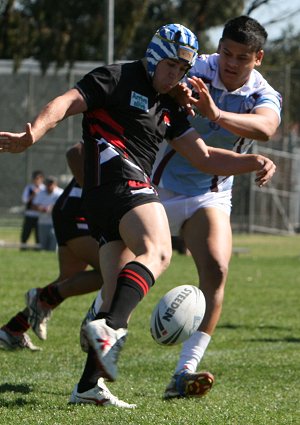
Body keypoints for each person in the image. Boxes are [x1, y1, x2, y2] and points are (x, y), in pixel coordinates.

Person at [0, 23, 276, 408]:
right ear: (153, 56)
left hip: (110, 197)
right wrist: (33, 134)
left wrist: (253, 161)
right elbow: (65, 102)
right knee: (159, 251)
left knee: (114, 291)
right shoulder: (117, 76)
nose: (177, 77)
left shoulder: (170, 104)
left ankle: (88, 386)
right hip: (117, 178)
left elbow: (206, 157)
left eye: (183, 71)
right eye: (171, 67)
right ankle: (109, 330)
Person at [150, 15, 282, 399]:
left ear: (258, 58)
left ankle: (183, 372)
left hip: (209, 194)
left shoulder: (263, 93)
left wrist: (216, 114)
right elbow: (160, 83)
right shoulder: (196, 67)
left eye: (242, 57)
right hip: (154, 187)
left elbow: (267, 128)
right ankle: (100, 332)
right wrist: (176, 93)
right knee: (124, 270)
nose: (231, 62)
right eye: (226, 52)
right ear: (219, 47)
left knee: (217, 270)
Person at [0, 173, 102, 350]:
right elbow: (76, 152)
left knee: (67, 279)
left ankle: (12, 330)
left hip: (74, 210)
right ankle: (41, 298)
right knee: (116, 273)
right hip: (79, 212)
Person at [32, 176, 63, 251]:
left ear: (55, 184)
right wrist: (41, 209)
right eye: (48, 184)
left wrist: (52, 209)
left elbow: (63, 205)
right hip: (42, 222)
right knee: (43, 245)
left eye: (51, 184)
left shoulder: (60, 192)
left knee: (53, 245)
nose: (49, 186)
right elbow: (34, 205)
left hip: (55, 222)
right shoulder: (41, 193)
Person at [20, 170, 45, 249]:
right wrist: (33, 194)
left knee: (38, 234)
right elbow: (24, 200)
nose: (36, 180)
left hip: (40, 216)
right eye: (35, 178)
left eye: (38, 178)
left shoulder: (44, 189)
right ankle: (23, 247)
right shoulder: (29, 188)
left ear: (42, 179)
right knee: (26, 233)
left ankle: (38, 248)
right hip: (30, 214)